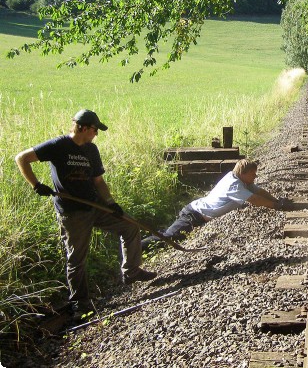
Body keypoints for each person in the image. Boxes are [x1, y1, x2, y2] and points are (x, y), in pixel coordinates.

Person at [15, 109, 157, 318]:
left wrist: (111, 203)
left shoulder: (92, 150)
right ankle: (80, 304)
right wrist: (36, 185)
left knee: (130, 226)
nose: (96, 134)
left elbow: (98, 181)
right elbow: (21, 158)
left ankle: (132, 272)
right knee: (77, 258)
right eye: (94, 130)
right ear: (82, 127)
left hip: (95, 206)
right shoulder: (58, 146)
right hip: (72, 213)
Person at [141, 159, 292, 249]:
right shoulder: (234, 185)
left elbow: (259, 192)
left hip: (198, 216)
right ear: (244, 173)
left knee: (172, 237)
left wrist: (276, 201)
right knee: (169, 238)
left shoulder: (241, 180)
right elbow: (255, 200)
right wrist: (277, 207)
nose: (255, 176)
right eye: (253, 173)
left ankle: (146, 241)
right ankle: (138, 246)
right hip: (193, 215)